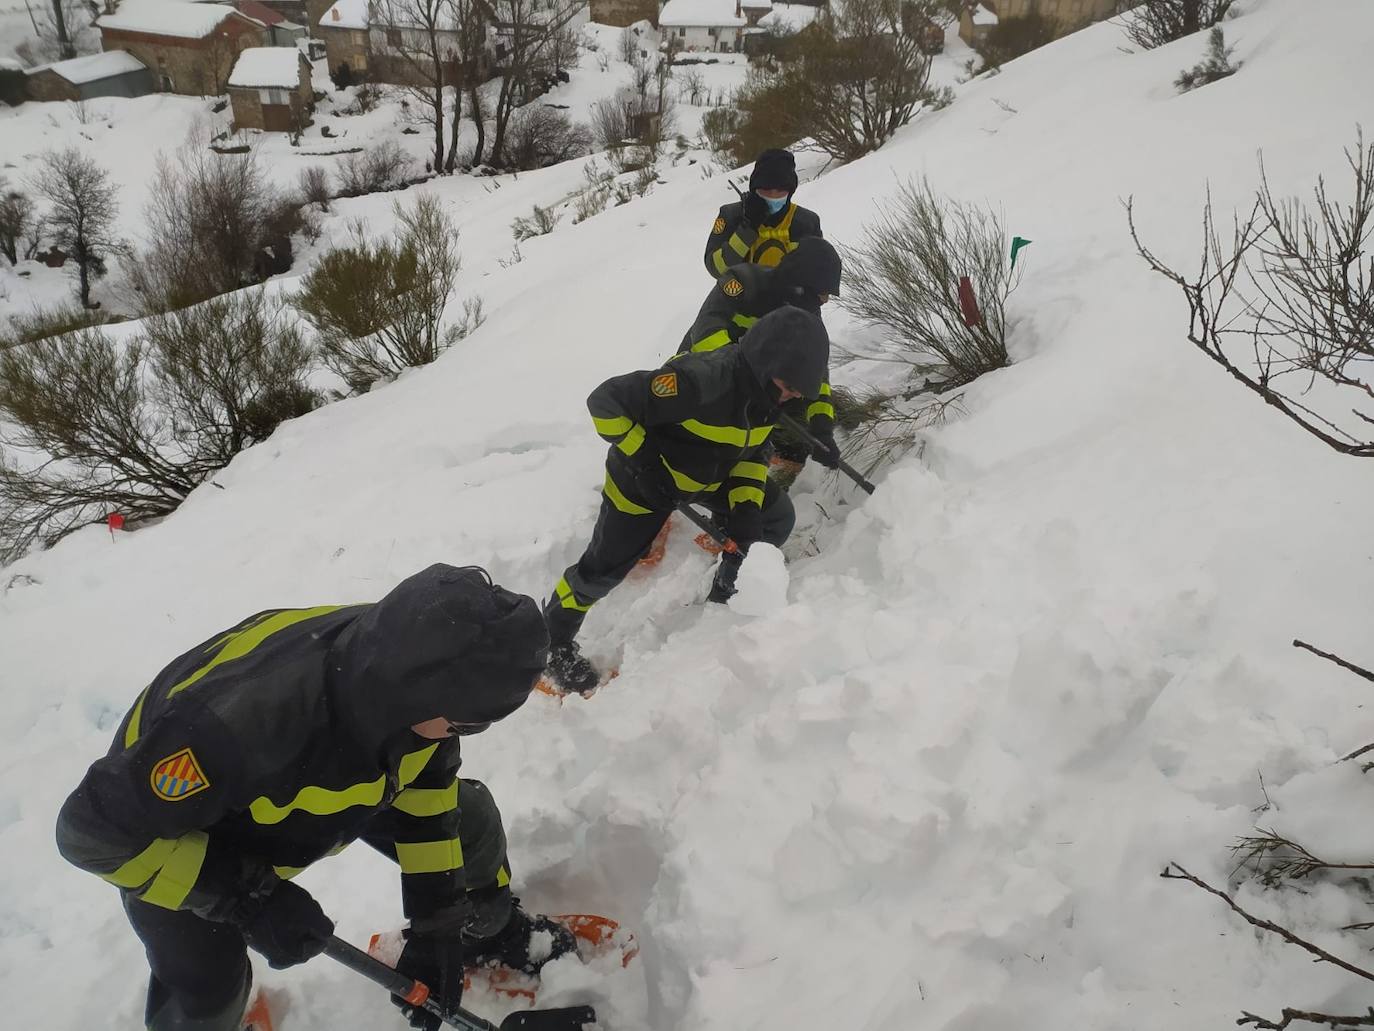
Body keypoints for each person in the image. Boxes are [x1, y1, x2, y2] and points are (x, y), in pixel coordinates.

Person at [55, 564, 578, 1031]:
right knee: (204, 982)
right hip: (178, 823)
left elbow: (426, 793)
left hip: (327, 770)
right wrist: (246, 897)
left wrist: (437, 925)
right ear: (421, 695)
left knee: (470, 822)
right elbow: (91, 833)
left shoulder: (419, 665)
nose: (467, 732)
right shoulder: (236, 727)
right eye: (469, 722)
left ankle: (484, 933)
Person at [543, 307, 830, 696]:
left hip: (707, 477)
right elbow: (605, 403)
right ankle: (551, 640)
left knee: (773, 519)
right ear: (765, 362)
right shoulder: (699, 381)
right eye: (789, 384)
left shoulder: (769, 398)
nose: (794, 394)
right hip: (642, 484)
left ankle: (728, 590)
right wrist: (645, 464)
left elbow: (751, 453)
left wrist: (745, 509)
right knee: (604, 570)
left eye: (799, 388)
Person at [681, 237, 844, 479]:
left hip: (764, 385)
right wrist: (743, 379)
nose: (826, 300)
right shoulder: (742, 283)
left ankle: (773, 458)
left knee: (793, 397)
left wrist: (821, 430)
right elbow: (706, 335)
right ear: (801, 282)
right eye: (823, 292)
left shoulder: (807, 313)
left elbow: (816, 373)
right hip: (705, 371)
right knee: (693, 435)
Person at [703, 148, 823, 278]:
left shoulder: (806, 222)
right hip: (741, 297)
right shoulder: (732, 216)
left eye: (780, 190)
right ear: (755, 188)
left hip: (790, 297)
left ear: (790, 190)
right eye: (766, 189)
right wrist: (747, 230)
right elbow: (716, 268)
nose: (773, 195)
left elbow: (819, 273)